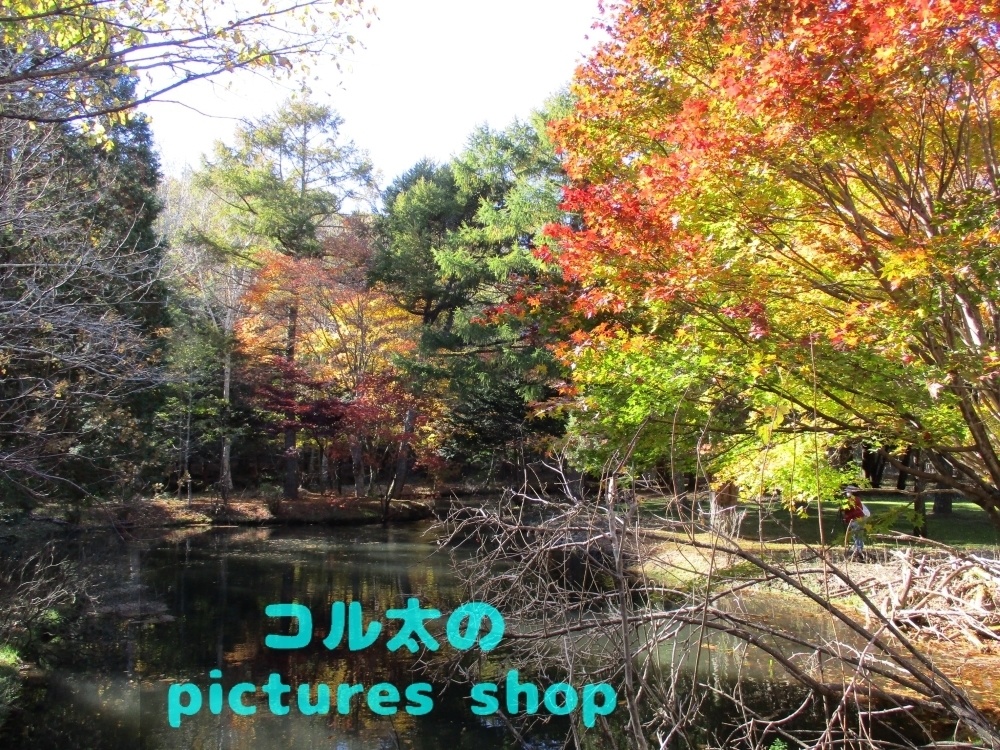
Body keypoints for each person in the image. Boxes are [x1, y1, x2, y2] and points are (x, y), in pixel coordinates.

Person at [842, 485, 870, 556]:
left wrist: (842, 507)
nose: (847, 493)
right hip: (855, 519)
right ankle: (857, 548)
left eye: (848, 491)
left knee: (857, 534)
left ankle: (859, 549)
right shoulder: (852, 499)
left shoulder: (854, 499)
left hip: (857, 519)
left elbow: (847, 507)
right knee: (856, 535)